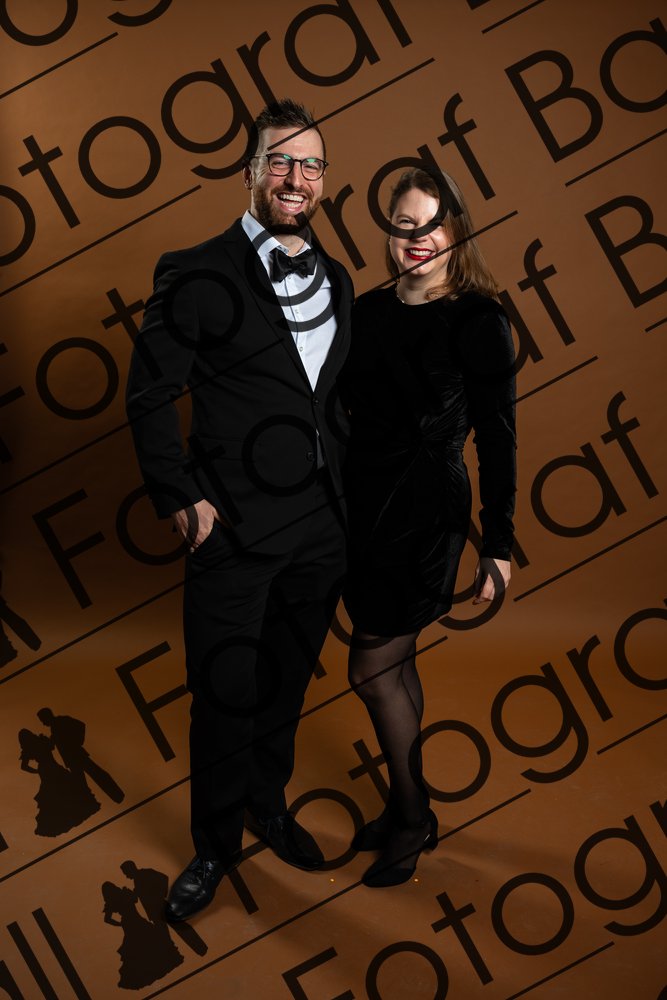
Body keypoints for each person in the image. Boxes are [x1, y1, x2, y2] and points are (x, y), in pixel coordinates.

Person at [126, 99, 352, 920]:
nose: (296, 177)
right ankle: (214, 846)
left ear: (323, 180)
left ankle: (268, 804)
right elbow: (148, 392)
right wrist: (180, 497)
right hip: (231, 529)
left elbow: (332, 402)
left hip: (322, 529)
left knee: (284, 683)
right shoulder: (193, 270)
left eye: (310, 164)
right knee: (224, 693)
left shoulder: (340, 279)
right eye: (279, 161)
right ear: (250, 171)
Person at [341, 167, 516, 887]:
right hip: (361, 511)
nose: (417, 238)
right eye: (403, 224)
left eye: (432, 224)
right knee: (397, 663)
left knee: (370, 669)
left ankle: (412, 816)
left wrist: (498, 544)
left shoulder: (478, 318)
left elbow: (498, 439)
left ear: (457, 232)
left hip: (426, 515)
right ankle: (405, 804)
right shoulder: (365, 310)